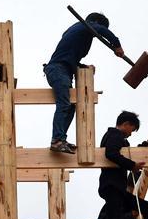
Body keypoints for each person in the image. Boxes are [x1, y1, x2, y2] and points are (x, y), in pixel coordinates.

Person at [44, 12, 124, 153]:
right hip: (57, 70)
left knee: (71, 106)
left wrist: (81, 66)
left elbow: (68, 56)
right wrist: (117, 45)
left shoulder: (76, 31)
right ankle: (56, 140)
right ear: (95, 23)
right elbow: (102, 30)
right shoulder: (85, 25)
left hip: (64, 69)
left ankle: (61, 139)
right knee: (64, 104)